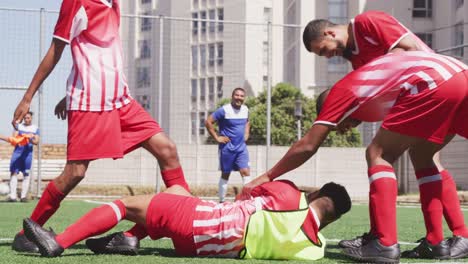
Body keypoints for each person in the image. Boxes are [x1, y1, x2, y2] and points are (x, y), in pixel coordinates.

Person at [241, 51, 468, 262]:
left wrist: (266, 177)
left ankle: (385, 243)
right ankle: (436, 242)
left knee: (378, 153)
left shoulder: (339, 92)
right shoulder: (374, 93)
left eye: (334, 124)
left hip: (434, 79)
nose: (340, 130)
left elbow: (308, 145)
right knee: (422, 154)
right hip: (459, 74)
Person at [10, 0, 189, 254]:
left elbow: (99, 56)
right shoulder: (75, 2)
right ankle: (25, 233)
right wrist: (28, 97)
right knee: (75, 173)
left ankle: (134, 234)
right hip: (89, 103)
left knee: (167, 150)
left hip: (121, 101)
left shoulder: (113, 3)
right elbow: (56, 49)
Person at [302, 10, 468, 258]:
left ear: (329, 32)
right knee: (423, 157)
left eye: (322, 49)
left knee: (380, 154)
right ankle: (441, 239)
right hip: (440, 86)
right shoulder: (357, 62)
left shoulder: (366, 22)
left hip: (431, 85)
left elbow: (408, 49)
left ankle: (389, 239)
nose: (327, 56)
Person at [22, 180, 351, 259]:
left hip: (198, 220)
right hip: (202, 248)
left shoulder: (289, 193)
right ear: (332, 219)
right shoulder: (315, 249)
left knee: (126, 204)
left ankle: (59, 242)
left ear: (320, 195)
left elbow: (245, 193)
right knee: (177, 187)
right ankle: (131, 238)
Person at [205, 87, 251, 202]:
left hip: (241, 148)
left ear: (244, 98)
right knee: (226, 174)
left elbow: (247, 122)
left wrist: (246, 133)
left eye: (241, 96)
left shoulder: (245, 109)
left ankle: (247, 200)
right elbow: (208, 121)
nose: (239, 98)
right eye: (237, 95)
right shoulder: (224, 110)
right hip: (227, 149)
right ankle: (221, 201)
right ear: (232, 96)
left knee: (246, 172)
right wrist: (217, 137)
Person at [0, 112, 40, 202]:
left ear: (31, 118)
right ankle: (13, 197)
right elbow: (14, 138)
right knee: (13, 172)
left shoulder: (35, 128)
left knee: (26, 174)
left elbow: (36, 141)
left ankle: (23, 197)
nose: (27, 119)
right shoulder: (19, 127)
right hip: (17, 153)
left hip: (28, 154)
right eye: (25, 118)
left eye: (28, 118)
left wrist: (30, 138)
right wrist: (23, 136)